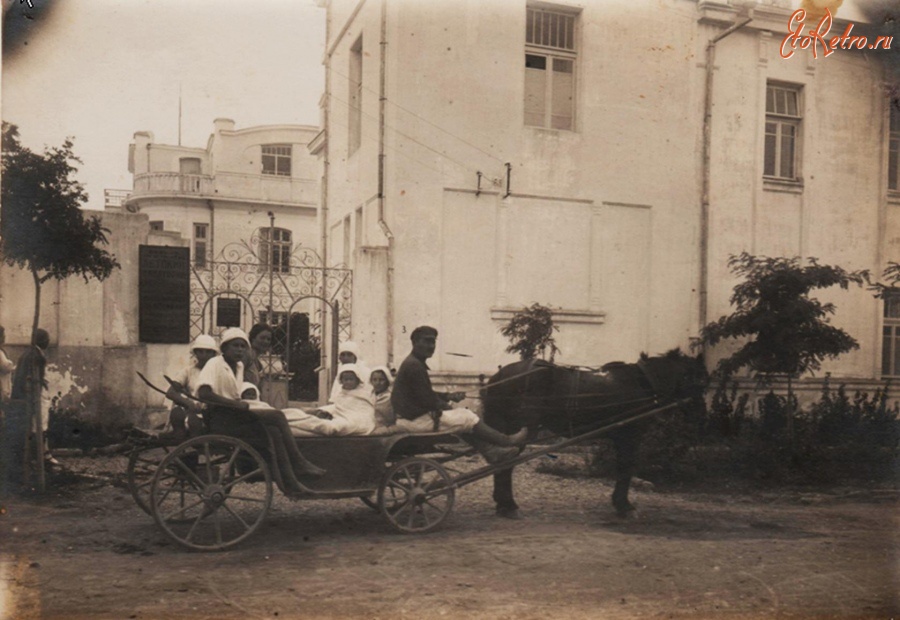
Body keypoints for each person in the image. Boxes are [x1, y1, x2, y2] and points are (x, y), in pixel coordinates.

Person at [196, 327, 326, 492]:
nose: (240, 350)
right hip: (220, 419)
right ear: (224, 348)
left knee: (274, 432)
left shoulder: (238, 367)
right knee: (277, 416)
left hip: (235, 416)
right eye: (235, 345)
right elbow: (204, 393)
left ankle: (291, 482)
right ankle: (299, 462)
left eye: (243, 346)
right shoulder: (214, 363)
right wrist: (235, 404)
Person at [391, 326, 527, 462]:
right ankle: (506, 441)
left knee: (461, 420)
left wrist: (449, 396)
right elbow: (427, 400)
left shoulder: (413, 363)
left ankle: (492, 451)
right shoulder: (414, 366)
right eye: (427, 341)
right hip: (415, 421)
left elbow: (423, 393)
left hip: (412, 418)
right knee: (467, 417)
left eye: (433, 342)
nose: (431, 346)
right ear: (415, 342)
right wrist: (447, 406)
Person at [10, 328, 57, 466]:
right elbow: (33, 378)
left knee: (36, 425)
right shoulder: (36, 355)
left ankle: (40, 454)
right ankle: (43, 455)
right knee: (39, 425)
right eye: (46, 338)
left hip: (34, 394)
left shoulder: (30, 353)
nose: (48, 342)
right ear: (41, 340)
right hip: (35, 395)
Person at [164, 334, 218, 441]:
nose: (204, 355)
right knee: (177, 413)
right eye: (200, 351)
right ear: (195, 353)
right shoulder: (188, 371)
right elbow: (171, 392)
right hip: (191, 412)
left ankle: (193, 439)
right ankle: (182, 436)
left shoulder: (218, 373)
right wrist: (188, 403)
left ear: (213, 354)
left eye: (208, 352)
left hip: (211, 414)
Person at [240, 382, 336, 437]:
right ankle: (322, 425)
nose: (251, 397)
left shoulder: (261, 403)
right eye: (248, 394)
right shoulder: (245, 404)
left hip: (273, 415)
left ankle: (316, 420)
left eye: (253, 394)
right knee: (295, 415)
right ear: (241, 395)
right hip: (270, 418)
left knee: (295, 413)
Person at [243, 323, 274, 388]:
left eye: (268, 339)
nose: (266, 341)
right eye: (262, 338)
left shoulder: (257, 361)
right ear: (253, 338)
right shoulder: (246, 355)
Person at [0, 326, 15, 410]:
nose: (4, 337)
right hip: (2, 388)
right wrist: (11, 364)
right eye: (2, 335)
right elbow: (6, 366)